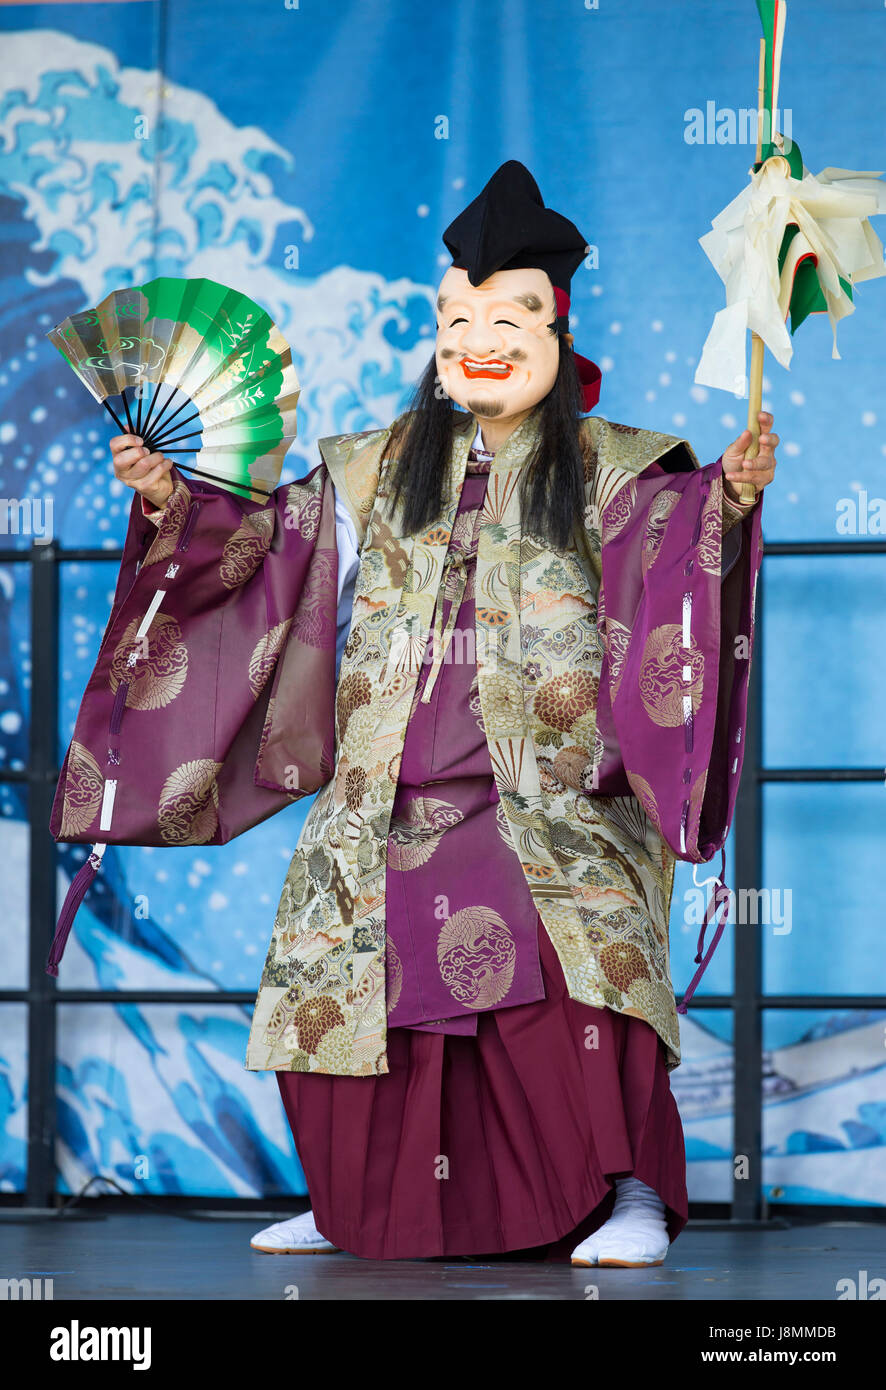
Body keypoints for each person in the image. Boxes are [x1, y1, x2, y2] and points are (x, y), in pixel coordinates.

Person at [100, 162, 775, 1266]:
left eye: (507, 319)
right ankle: (355, 1201)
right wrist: (172, 498)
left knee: (582, 960)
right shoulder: (376, 466)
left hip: (547, 796)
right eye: (458, 321)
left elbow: (676, 555)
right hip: (384, 794)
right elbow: (262, 552)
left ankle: (631, 1193)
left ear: (556, 331)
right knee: (335, 963)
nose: (480, 341)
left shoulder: (612, 467)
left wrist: (728, 499)